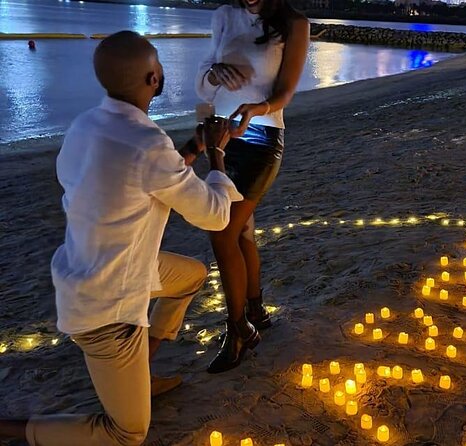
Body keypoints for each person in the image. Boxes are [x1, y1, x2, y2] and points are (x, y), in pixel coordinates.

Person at [0, 31, 242, 446]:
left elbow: (143, 179)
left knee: (192, 276)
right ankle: (9, 430)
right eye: (159, 66)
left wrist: (193, 146)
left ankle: (141, 368)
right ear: (153, 78)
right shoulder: (148, 144)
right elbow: (216, 216)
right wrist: (218, 154)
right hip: (108, 306)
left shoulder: (84, 126)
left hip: (91, 265)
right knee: (128, 433)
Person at [195, 0, 310, 374]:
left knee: (221, 233)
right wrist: (214, 73)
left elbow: (286, 92)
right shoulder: (223, 17)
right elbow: (203, 87)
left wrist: (255, 108)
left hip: (262, 139)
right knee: (242, 232)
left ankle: (238, 329)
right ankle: (256, 310)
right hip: (224, 136)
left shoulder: (294, 24)